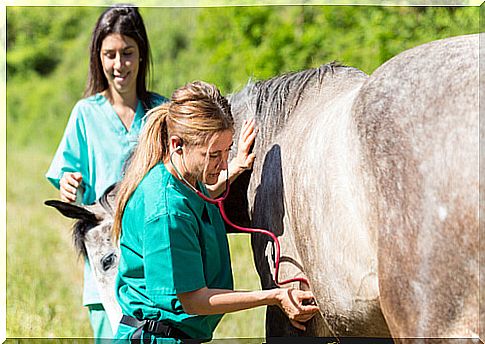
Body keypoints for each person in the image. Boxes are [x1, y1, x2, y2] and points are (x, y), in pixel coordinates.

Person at [112, 81, 319, 343]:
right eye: (213, 155)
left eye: (227, 150)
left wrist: (236, 167)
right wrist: (274, 296)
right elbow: (194, 300)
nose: (221, 164)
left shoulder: (181, 177)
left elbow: (199, 197)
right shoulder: (166, 212)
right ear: (177, 145)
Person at [46, 5, 167, 339]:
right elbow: (69, 180)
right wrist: (69, 184)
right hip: (106, 272)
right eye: (109, 54)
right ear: (98, 57)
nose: (119, 65)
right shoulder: (85, 114)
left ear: (142, 54)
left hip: (155, 267)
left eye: (128, 53)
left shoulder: (161, 112)